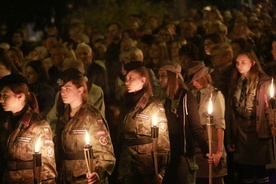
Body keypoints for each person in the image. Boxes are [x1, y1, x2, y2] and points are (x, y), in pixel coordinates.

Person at [56, 68, 115, 183]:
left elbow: (105, 153)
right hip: (66, 178)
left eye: (67, 88)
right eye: (61, 89)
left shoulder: (92, 117)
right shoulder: (64, 116)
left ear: (80, 90)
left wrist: (99, 173)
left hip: (86, 178)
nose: (63, 92)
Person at [226, 48, 273, 184]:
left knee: (260, 168)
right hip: (240, 129)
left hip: (257, 129)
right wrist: (230, 137)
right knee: (245, 169)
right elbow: (231, 110)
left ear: (252, 63)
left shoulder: (263, 82)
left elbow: (269, 108)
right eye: (237, 63)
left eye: (243, 62)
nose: (239, 65)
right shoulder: (236, 81)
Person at [118, 63, 170, 184]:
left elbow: (163, 141)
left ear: (143, 80)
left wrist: (161, 170)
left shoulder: (153, 106)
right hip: (126, 165)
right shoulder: (126, 104)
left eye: (131, 78)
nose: (127, 82)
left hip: (146, 166)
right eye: (126, 79)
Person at [0, 74, 57, 183]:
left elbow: (47, 167)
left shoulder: (38, 126)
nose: (1, 100)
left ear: (20, 96)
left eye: (5, 95)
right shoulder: (6, 123)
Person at [157, 62, 208, 184]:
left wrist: (206, 150)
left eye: (163, 75)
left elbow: (196, 127)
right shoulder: (165, 99)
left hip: (182, 154)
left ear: (174, 76)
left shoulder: (186, 97)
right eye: (159, 76)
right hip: (168, 156)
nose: (159, 80)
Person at [189, 61, 227, 184]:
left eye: (196, 79)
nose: (194, 83)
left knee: (213, 176)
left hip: (212, 138)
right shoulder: (193, 95)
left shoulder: (215, 94)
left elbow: (220, 123)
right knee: (199, 177)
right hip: (197, 139)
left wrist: (219, 151)